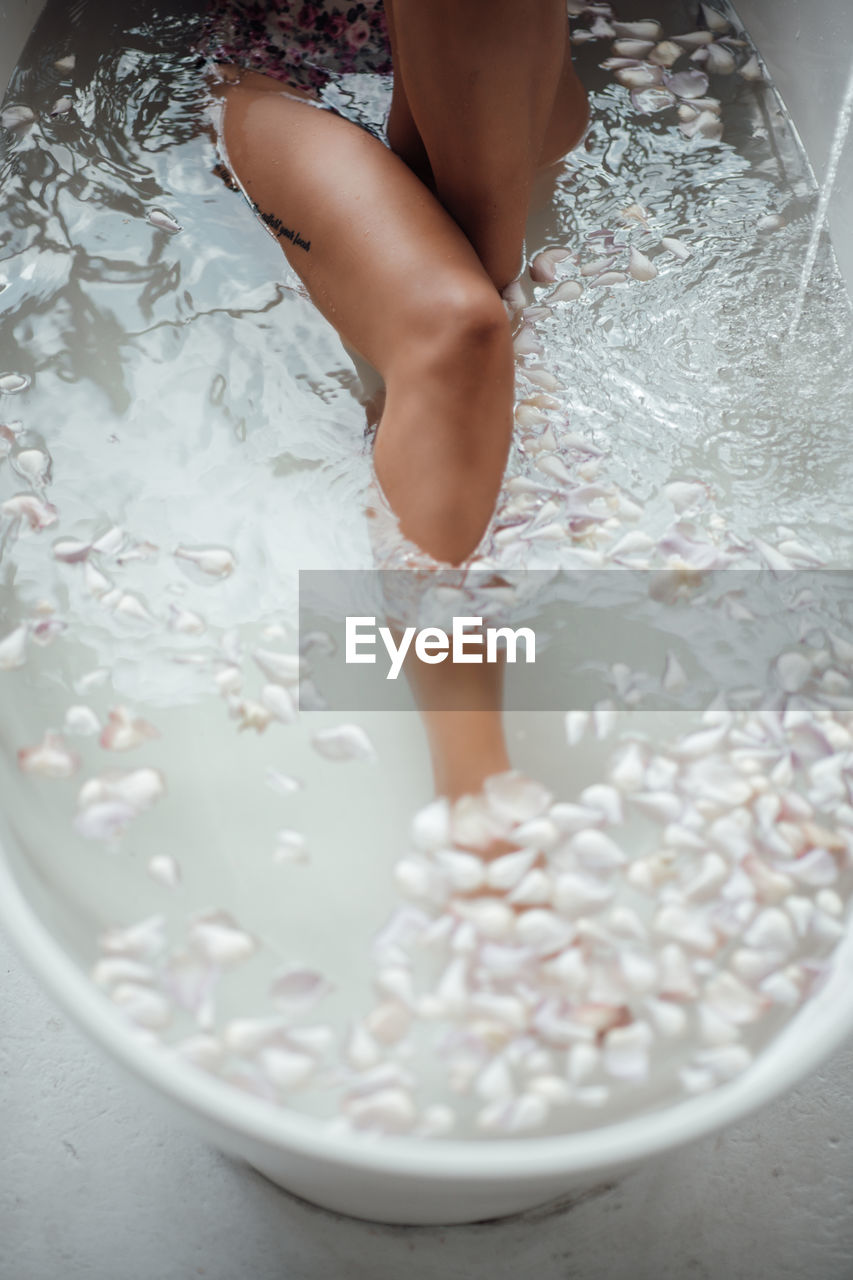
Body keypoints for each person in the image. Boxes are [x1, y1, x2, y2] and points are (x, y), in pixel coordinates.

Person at [196, 0, 589, 808]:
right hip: (275, 73)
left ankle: (433, 407)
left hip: (514, 64)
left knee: (465, 332)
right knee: (460, 331)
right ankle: (476, 791)